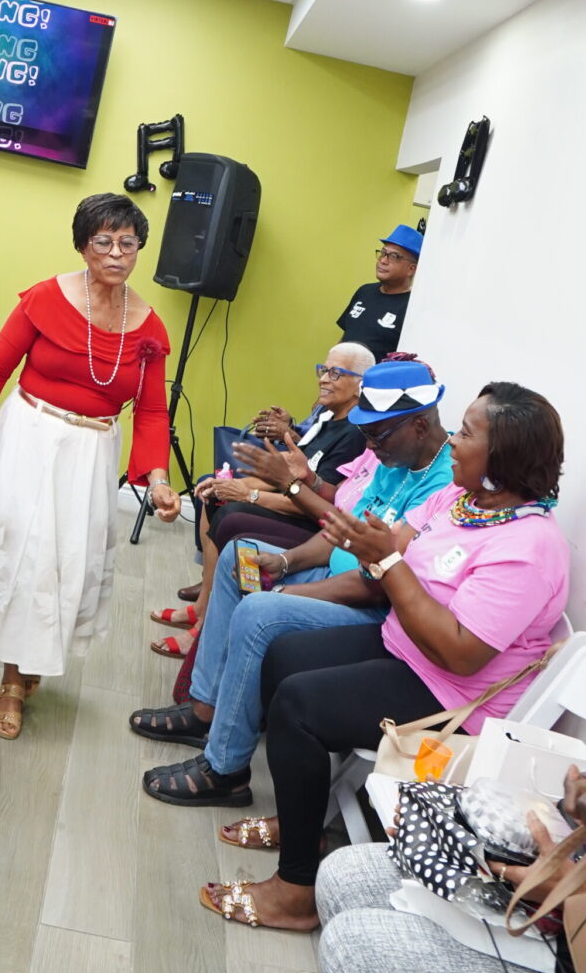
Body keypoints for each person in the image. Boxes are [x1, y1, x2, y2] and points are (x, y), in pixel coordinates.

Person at [196, 380, 569, 933]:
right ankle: (305, 822)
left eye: (467, 434)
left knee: (298, 705)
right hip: (405, 647)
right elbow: (390, 548)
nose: (453, 441)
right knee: (283, 653)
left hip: (451, 695)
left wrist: (386, 561)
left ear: (503, 456)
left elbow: (460, 653)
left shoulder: (530, 548)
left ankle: (296, 890)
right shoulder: (460, 501)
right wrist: (352, 537)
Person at [133, 358, 454, 807]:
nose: (369, 445)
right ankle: (204, 707)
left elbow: (375, 585)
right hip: (334, 575)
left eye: (377, 434)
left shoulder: (443, 485)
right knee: (239, 556)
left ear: (419, 425)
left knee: (259, 611)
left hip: (368, 608)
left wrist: (286, 591)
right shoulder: (396, 455)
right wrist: (283, 562)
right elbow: (339, 531)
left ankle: (225, 770)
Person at [0, 192, 180, 739]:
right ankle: (12, 679)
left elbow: (152, 410)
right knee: (25, 552)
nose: (116, 254)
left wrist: (159, 481)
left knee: (69, 557)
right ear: (83, 246)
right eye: (104, 242)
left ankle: (34, 652)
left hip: (92, 451)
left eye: (128, 243)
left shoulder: (149, 327)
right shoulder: (46, 298)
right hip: (30, 433)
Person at [317, 763, 586, 973]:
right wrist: (450, 821)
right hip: (555, 915)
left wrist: (570, 890)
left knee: (352, 955)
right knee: (344, 875)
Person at [150, 344, 374, 658]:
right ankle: (203, 606)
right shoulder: (326, 415)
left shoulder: (354, 435)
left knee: (230, 514)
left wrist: (248, 494)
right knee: (213, 492)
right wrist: (233, 483)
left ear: (361, 384)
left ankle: (203, 627)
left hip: (311, 521)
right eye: (323, 370)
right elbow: (287, 470)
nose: (324, 379)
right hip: (291, 497)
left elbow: (314, 498)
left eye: (336, 373)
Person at [336, 224, 422, 360]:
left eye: (394, 256)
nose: (383, 260)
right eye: (383, 253)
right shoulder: (365, 291)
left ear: (411, 269)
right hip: (342, 372)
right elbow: (345, 337)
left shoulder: (412, 307)